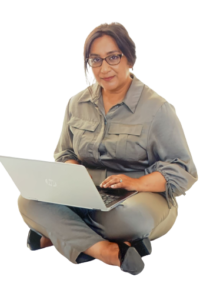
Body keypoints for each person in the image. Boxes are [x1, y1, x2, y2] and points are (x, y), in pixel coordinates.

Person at [16, 21, 199, 275]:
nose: (104, 68)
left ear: (129, 58)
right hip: (86, 195)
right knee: (28, 201)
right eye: (96, 60)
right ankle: (107, 251)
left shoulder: (157, 109)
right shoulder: (76, 103)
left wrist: (135, 183)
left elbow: (183, 171)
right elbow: (63, 152)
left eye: (113, 57)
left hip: (138, 200)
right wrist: (74, 174)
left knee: (128, 221)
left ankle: (57, 234)